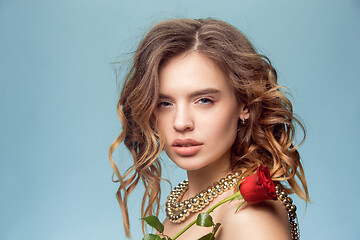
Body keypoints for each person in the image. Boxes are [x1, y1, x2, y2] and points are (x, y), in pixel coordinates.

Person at [109, 18, 309, 240]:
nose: (181, 122)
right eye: (164, 103)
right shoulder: (187, 201)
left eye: (204, 100)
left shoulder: (249, 217)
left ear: (245, 105)